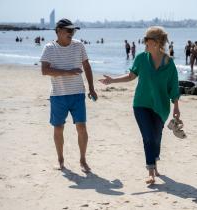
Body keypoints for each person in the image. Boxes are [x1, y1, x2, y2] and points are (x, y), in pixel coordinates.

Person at [99, 26, 181, 185]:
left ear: (156, 42)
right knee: (148, 137)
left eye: (146, 40)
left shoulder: (169, 63)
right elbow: (131, 76)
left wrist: (176, 106)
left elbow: (174, 87)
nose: (144, 42)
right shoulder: (141, 58)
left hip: (161, 107)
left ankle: (154, 161)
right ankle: (151, 171)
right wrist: (112, 80)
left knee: (156, 137)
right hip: (141, 104)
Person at [40, 18, 98, 172]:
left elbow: (87, 66)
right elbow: (44, 70)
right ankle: (60, 160)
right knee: (58, 128)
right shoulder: (49, 48)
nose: (71, 33)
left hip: (78, 93)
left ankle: (83, 160)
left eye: (73, 31)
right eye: (68, 30)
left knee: (82, 128)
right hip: (58, 95)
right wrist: (67, 72)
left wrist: (92, 88)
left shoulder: (79, 45)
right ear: (58, 31)